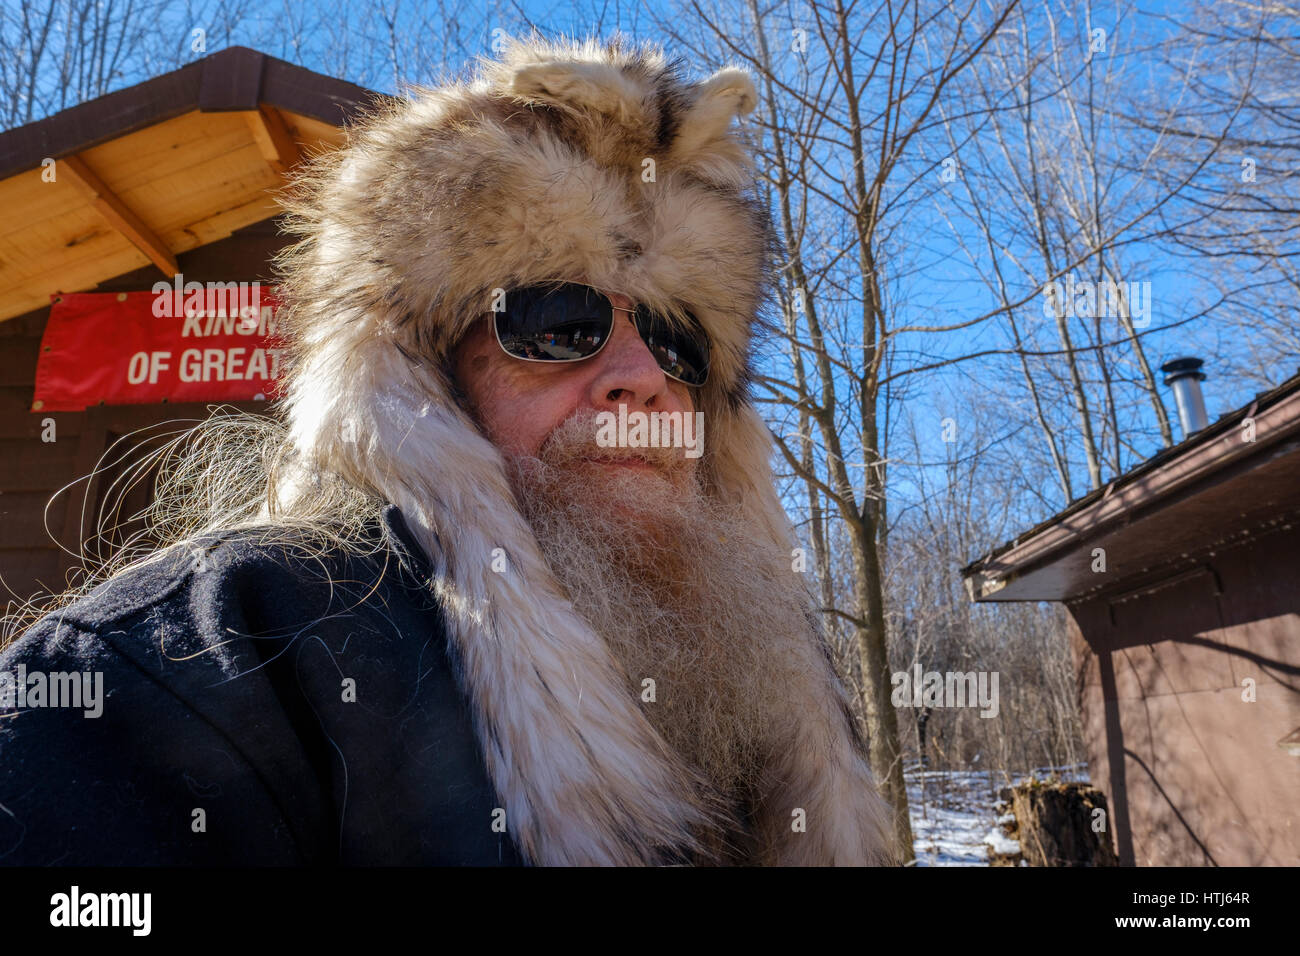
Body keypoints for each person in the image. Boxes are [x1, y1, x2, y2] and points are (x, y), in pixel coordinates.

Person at [0, 36, 893, 867]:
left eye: (676, 341)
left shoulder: (778, 684)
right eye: (557, 320)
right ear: (419, 377)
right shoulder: (210, 659)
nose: (640, 378)